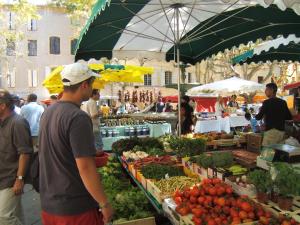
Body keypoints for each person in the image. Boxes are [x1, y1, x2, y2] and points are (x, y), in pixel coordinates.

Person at [39, 63, 113, 225]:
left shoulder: (48, 112)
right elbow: (85, 167)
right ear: (84, 85)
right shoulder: (77, 117)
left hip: (49, 203)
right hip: (74, 207)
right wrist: (104, 203)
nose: (93, 88)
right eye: (92, 84)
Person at [0, 89, 33, 225]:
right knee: (14, 214)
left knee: (4, 216)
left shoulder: (18, 123)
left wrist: (19, 179)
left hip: (11, 178)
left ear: (3, 106)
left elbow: (25, 153)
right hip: (3, 176)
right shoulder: (3, 122)